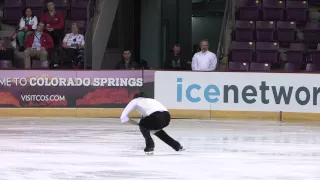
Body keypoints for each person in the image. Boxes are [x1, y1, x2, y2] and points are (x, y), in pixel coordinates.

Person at [120, 92, 184, 155]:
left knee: (143, 123)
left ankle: (150, 146)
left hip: (155, 116)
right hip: (167, 117)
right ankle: (177, 146)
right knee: (155, 130)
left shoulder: (135, 101)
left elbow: (123, 117)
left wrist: (138, 124)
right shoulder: (151, 100)